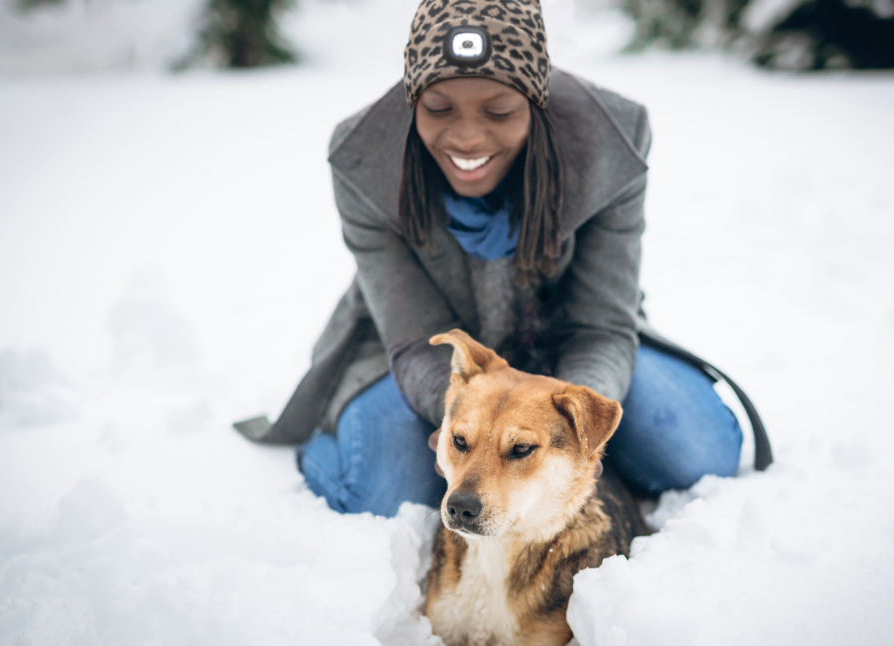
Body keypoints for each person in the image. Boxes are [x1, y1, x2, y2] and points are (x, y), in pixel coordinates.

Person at [235, 0, 771, 517]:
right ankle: (333, 437)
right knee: (386, 490)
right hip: (426, 358)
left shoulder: (612, 141)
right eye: (438, 108)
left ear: (536, 101)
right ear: (411, 98)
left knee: (699, 452)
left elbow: (601, 323)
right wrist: (466, 420)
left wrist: (561, 424)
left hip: (566, 337)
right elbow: (415, 339)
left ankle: (542, 465)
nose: (468, 137)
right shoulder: (362, 158)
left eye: (500, 110)